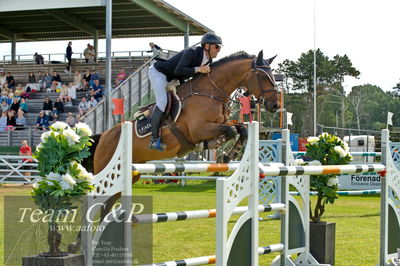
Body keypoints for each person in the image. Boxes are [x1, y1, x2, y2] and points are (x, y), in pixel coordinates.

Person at [147, 32, 222, 151]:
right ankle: (153, 139)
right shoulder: (192, 52)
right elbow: (179, 70)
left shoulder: (208, 61)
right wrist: (199, 69)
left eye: (219, 47)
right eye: (216, 46)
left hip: (175, 78)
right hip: (159, 73)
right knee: (162, 102)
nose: (218, 50)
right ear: (207, 46)